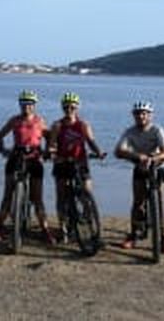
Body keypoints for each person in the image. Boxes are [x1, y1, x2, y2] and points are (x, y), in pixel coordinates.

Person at [0, 89, 54, 245]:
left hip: (34, 158)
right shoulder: (14, 120)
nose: (27, 107)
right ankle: (0, 227)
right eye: (24, 104)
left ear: (34, 105)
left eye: (30, 104)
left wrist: (48, 151)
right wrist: (3, 150)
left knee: (37, 198)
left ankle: (45, 230)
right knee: (7, 194)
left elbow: (50, 137)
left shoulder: (39, 121)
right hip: (16, 157)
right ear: (20, 105)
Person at [115, 100, 164, 255]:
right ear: (133, 116)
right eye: (138, 114)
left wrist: (154, 158)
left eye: (144, 113)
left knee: (161, 203)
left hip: (158, 168)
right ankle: (133, 235)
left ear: (150, 115)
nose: (141, 116)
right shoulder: (130, 132)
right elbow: (118, 150)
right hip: (140, 168)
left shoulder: (157, 130)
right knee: (138, 203)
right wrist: (138, 156)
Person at [48, 92, 106, 242]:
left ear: (77, 108)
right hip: (62, 163)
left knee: (87, 192)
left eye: (72, 107)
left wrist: (98, 152)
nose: (69, 109)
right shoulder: (57, 125)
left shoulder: (83, 125)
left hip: (80, 162)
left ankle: (89, 222)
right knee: (61, 196)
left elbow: (91, 141)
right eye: (66, 107)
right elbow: (52, 144)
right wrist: (52, 153)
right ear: (62, 108)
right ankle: (63, 229)